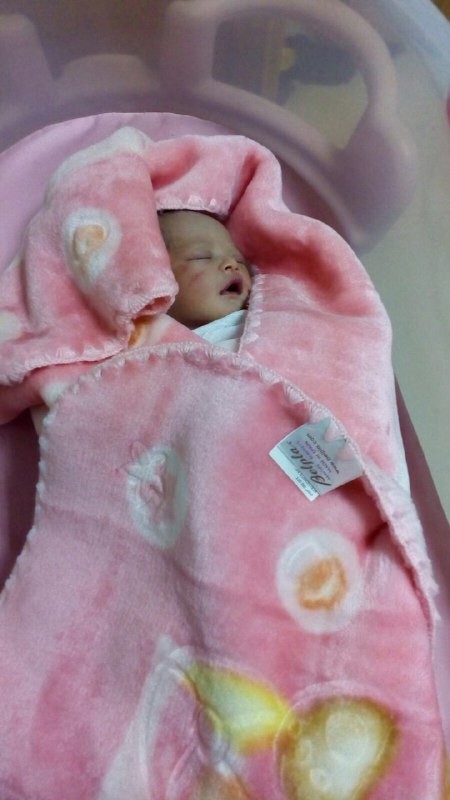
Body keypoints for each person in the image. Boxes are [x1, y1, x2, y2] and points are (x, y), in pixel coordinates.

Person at [159, 210, 252, 330]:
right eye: (202, 257)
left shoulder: (265, 317)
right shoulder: (146, 336)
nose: (232, 263)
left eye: (239, 260)